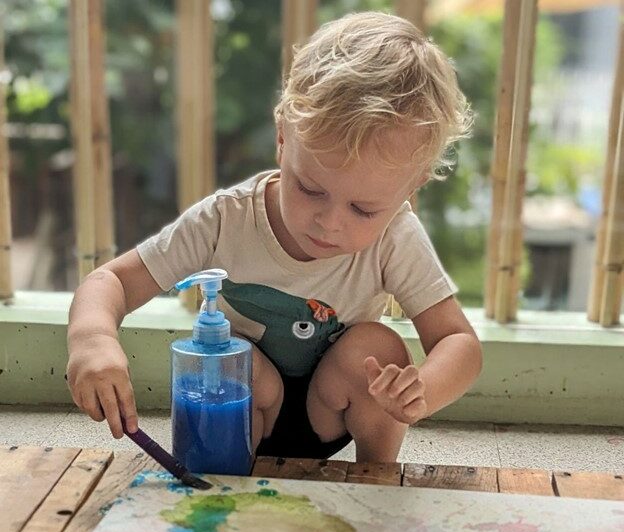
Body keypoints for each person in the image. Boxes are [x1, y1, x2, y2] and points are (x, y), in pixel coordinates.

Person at [66, 11, 482, 463]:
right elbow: (114, 281)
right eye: (309, 188)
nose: (330, 222)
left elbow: (458, 343)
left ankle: (375, 474)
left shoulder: (397, 236)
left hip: (334, 411)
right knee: (232, 353)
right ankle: (229, 468)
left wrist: (423, 388)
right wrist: (92, 341)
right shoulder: (226, 218)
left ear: (413, 185)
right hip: (241, 406)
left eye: (363, 209)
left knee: (376, 347)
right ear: (283, 138)